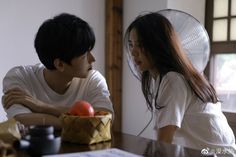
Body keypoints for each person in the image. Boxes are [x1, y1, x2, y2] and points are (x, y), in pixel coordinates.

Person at [124, 12, 236, 153]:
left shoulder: (173, 80)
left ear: (158, 45)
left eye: (140, 45)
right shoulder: (171, 77)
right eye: (131, 45)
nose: (133, 52)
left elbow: (164, 142)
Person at [2, 13, 114, 130]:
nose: (93, 59)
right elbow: (20, 120)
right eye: (84, 54)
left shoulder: (93, 79)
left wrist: (42, 107)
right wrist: (84, 122)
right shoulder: (20, 76)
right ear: (60, 64)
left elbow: (106, 120)